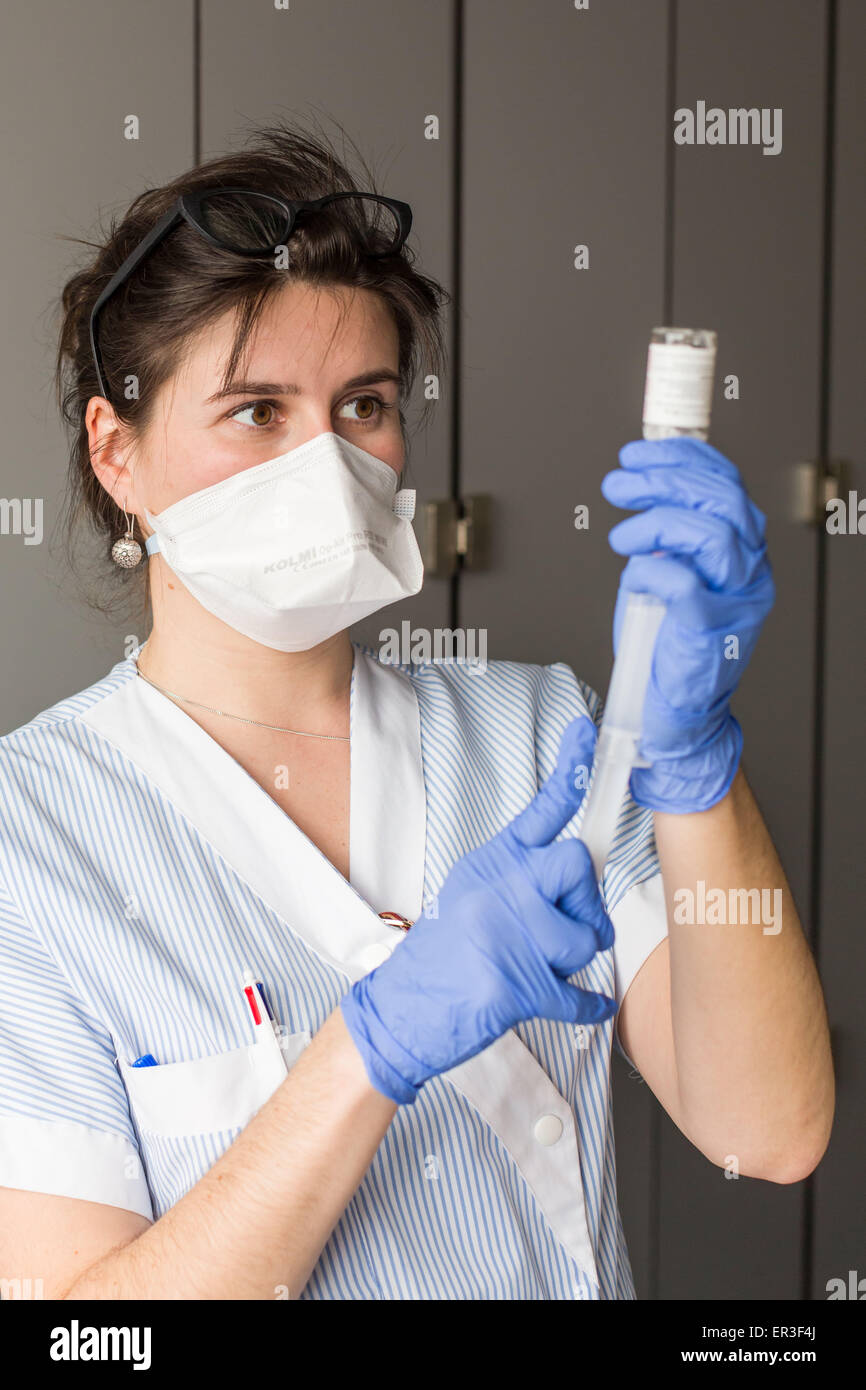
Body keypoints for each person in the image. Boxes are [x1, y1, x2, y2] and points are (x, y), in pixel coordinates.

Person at [0, 119, 833, 1301]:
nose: (325, 462)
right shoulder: (28, 844)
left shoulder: (548, 738)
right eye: (257, 411)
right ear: (115, 454)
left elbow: (770, 1131)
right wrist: (370, 1049)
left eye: (363, 405)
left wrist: (688, 761)